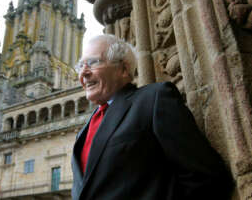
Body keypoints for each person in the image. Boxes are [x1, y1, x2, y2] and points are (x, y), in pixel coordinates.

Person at [71, 34, 233, 200]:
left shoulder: (154, 99)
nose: (83, 72)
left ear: (123, 69)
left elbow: (205, 176)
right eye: (80, 66)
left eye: (93, 62)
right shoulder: (84, 131)